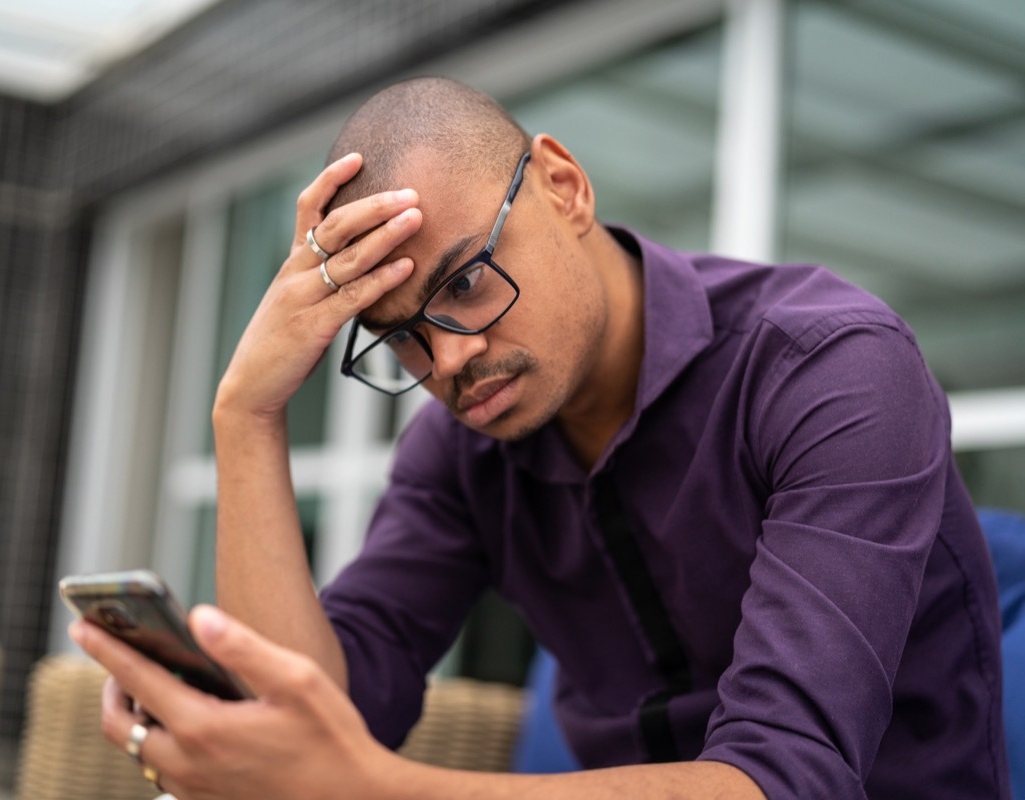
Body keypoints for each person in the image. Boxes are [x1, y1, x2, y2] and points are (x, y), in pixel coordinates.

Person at [71, 77, 1009, 799]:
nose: (449, 361)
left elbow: (784, 780)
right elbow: (328, 704)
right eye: (401, 337)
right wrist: (248, 416)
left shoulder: (829, 369)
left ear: (563, 186)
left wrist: (364, 787)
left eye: (468, 281)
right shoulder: (465, 450)